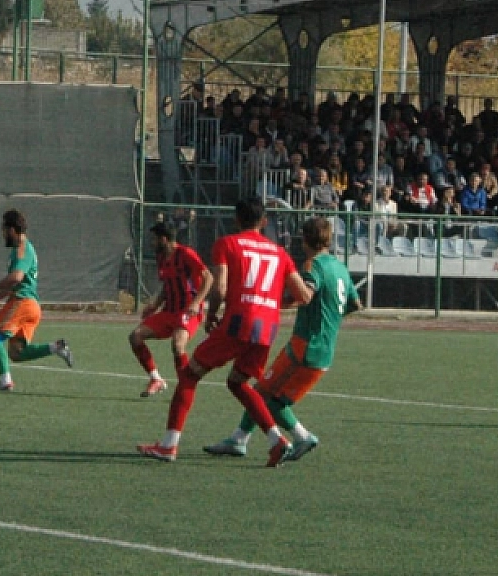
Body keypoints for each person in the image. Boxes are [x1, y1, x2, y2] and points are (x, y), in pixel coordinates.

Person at [137, 196, 310, 466]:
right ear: (264, 221)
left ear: (237, 219)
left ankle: (168, 445)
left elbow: (220, 288)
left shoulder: (227, 244)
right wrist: (272, 302)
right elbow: (303, 295)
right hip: (267, 327)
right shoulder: (280, 253)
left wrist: (214, 313)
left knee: (189, 375)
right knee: (238, 383)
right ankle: (277, 440)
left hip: (238, 322)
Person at [206, 216, 362, 462]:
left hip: (306, 345)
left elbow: (306, 294)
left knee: (264, 397)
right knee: (266, 394)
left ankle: (301, 436)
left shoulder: (313, 266)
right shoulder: (340, 267)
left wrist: (277, 303)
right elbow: (355, 303)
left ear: (304, 240)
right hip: (325, 348)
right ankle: (239, 439)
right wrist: (330, 315)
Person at [0, 210, 71, 393]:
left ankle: (5, 381)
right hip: (31, 305)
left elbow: (16, 277)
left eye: (4, 229)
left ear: (12, 229)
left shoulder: (22, 249)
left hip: (21, 302)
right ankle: (56, 347)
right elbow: (18, 281)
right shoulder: (23, 248)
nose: (3, 233)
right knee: (17, 353)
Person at [130, 221, 211, 398]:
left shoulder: (186, 254)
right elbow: (167, 286)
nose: (152, 243)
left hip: (187, 311)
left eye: (154, 239)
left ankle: (185, 388)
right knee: (135, 337)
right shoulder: (161, 258)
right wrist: (154, 306)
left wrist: (197, 303)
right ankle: (156, 379)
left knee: (177, 344)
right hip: (169, 311)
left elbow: (208, 278)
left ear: (164, 239)